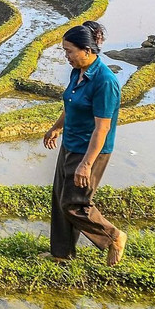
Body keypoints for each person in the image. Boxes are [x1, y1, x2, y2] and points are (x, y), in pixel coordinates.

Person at [42, 20, 127, 265]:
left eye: (69, 51)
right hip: (71, 143)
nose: (66, 56)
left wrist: (86, 164)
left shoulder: (105, 82)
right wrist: (57, 127)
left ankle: (113, 236)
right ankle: (61, 255)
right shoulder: (77, 72)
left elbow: (102, 128)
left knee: (75, 203)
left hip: (91, 151)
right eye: (65, 51)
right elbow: (72, 103)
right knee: (60, 199)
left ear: (87, 51)